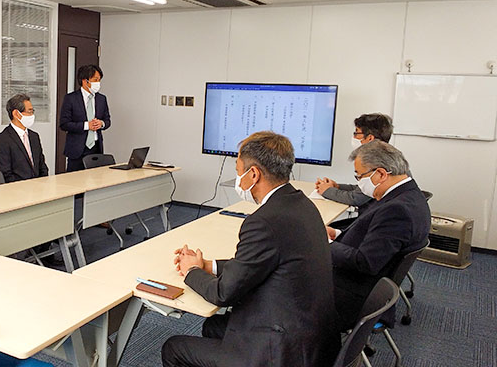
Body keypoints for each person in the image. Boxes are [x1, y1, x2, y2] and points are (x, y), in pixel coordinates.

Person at [163, 131, 339, 367]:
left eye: (238, 171)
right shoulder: (301, 203)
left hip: (282, 350)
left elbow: (223, 294)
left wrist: (192, 271)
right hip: (313, 335)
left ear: (253, 174)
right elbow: (255, 264)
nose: (238, 179)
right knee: (213, 327)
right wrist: (208, 265)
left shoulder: (263, 222)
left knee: (173, 348)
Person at [328, 140, 430, 329]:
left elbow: (365, 262)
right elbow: (375, 235)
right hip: (369, 283)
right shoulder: (408, 195)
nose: (358, 182)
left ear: (381, 174)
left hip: (352, 297)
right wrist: (337, 233)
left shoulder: (397, 210)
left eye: (359, 176)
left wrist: (325, 243)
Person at [315, 113, 394, 210]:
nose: (354, 137)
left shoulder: (377, 160)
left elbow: (355, 198)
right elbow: (361, 190)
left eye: (356, 133)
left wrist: (326, 190)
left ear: (370, 138)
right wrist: (337, 186)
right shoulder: (386, 155)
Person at [59, 64, 111, 172]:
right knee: (74, 180)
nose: (98, 83)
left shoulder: (102, 99)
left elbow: (107, 120)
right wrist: (87, 125)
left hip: (96, 148)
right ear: (85, 81)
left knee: (96, 179)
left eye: (99, 80)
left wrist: (101, 124)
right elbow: (64, 124)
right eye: (95, 80)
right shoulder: (70, 98)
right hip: (77, 150)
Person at [0, 94, 49, 182]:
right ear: (16, 114)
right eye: (29, 112)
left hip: (38, 186)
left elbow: (42, 166)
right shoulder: (3, 139)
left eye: (32, 111)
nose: (32, 115)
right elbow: (5, 174)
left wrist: (42, 183)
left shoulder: (34, 136)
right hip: (17, 188)